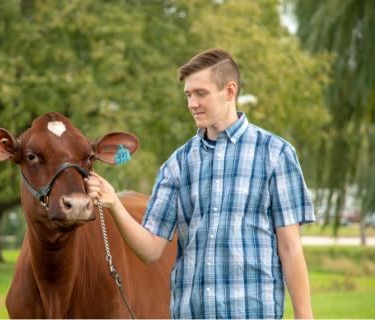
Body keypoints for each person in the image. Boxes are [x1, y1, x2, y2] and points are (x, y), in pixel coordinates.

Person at [85, 48, 314, 319]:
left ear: (229, 91)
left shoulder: (275, 154)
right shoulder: (177, 165)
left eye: (200, 93)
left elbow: (290, 248)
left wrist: (305, 316)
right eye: (188, 95)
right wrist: (113, 202)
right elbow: (150, 250)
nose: (192, 103)